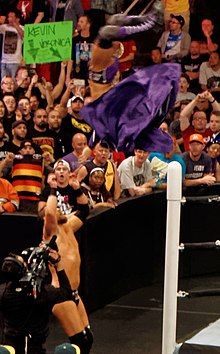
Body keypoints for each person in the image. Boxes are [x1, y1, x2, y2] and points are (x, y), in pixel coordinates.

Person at [80, 1, 180, 154]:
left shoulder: (105, 121)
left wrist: (90, 147)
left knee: (109, 29)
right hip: (106, 93)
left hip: (103, 88)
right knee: (108, 31)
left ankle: (146, 21)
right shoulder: (112, 124)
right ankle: (147, 22)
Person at [42, 173, 93, 354]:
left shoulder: (68, 226)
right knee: (81, 342)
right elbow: (49, 212)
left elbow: (85, 210)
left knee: (88, 338)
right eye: (58, 208)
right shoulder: (50, 234)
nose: (61, 210)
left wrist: (76, 187)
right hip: (61, 295)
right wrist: (53, 188)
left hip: (74, 292)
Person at [0, 245, 73, 354]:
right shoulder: (41, 295)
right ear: (22, 270)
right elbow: (66, 291)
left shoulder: (3, 292)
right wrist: (57, 266)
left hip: (10, 347)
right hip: (34, 347)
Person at [0, 10, 24, 80]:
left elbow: (23, 35)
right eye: (8, 17)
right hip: (4, 61)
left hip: (15, 62)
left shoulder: (22, 28)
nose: (9, 19)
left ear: (17, 19)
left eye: (11, 17)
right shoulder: (4, 27)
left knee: (14, 83)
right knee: (4, 83)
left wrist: (14, 24)